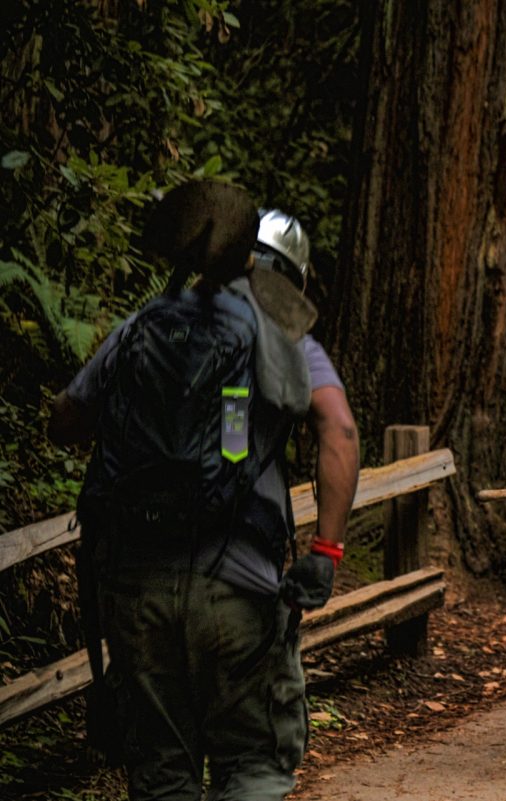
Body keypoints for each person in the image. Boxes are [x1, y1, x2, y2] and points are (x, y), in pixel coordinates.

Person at [49, 181, 359, 801]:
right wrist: (325, 553)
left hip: (137, 593)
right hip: (236, 589)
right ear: (285, 275)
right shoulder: (283, 334)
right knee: (252, 766)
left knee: (163, 774)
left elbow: (65, 422)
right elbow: (339, 429)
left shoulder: (144, 325)